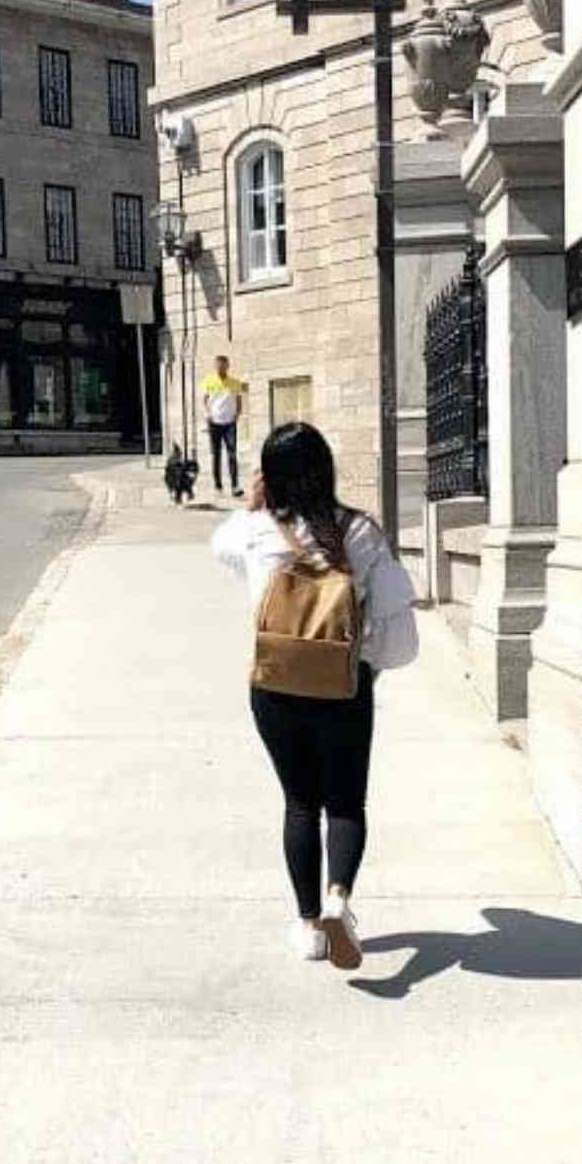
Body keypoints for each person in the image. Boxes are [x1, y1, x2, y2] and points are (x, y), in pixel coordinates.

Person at [212, 422, 419, 970]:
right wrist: (368, 670)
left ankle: (308, 927)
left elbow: (220, 547)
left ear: (270, 477)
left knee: (300, 803)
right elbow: (398, 631)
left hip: (275, 688)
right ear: (327, 469)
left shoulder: (255, 532)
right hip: (341, 690)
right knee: (346, 803)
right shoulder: (360, 533)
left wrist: (254, 503)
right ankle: (338, 899)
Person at [201, 355, 243, 497]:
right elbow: (204, 400)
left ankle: (235, 486)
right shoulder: (209, 381)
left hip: (230, 423)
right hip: (214, 423)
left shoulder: (235, 383)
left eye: (223, 366)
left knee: (232, 454)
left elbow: (239, 400)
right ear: (215, 367)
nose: (220, 369)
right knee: (216, 455)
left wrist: (237, 415)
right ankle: (218, 487)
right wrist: (208, 415)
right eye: (218, 366)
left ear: (227, 366)